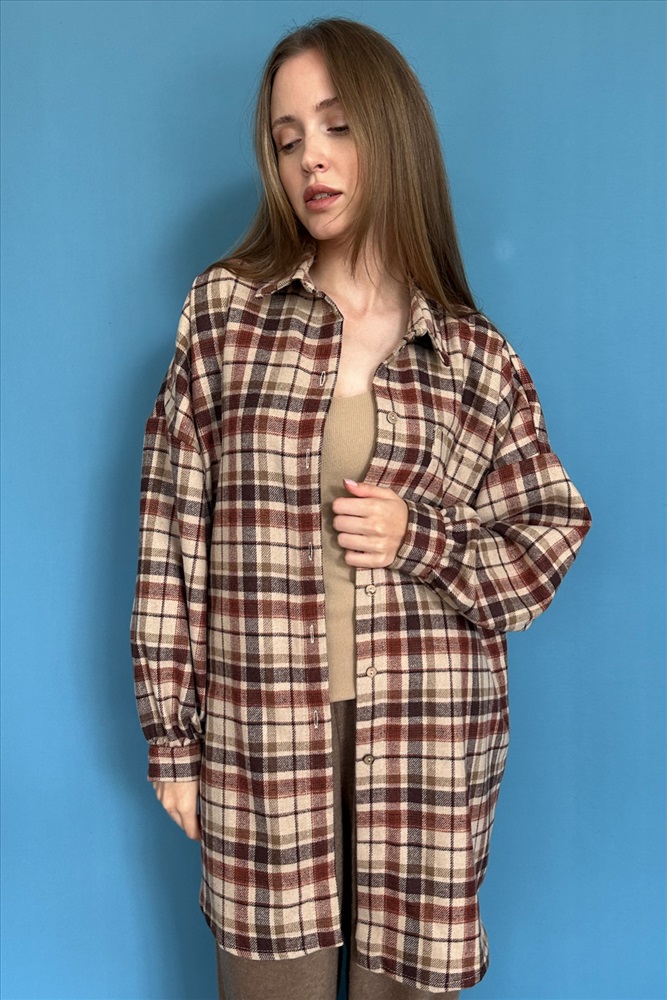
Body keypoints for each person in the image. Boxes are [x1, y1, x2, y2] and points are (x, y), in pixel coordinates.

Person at [131, 17, 591, 1000]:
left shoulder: (474, 358)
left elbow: (551, 530)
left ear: (391, 130)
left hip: (427, 742)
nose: (311, 158)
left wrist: (421, 539)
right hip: (263, 741)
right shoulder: (225, 315)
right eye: (287, 137)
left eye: (336, 126)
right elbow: (171, 533)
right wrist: (173, 742)